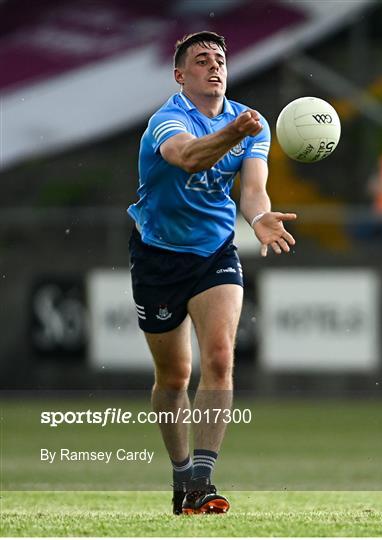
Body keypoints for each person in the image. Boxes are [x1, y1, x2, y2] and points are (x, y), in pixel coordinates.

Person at [127, 31, 296, 515]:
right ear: (181, 76)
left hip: (214, 252)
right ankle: (181, 477)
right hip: (158, 255)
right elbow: (190, 157)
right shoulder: (168, 120)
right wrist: (234, 134)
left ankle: (202, 480)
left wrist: (260, 217)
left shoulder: (248, 124)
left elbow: (253, 189)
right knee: (174, 375)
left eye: (220, 59)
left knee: (220, 357)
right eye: (201, 61)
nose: (214, 66)